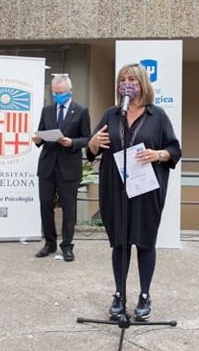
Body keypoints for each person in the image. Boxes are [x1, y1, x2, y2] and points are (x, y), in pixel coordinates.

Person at [87, 63, 181, 322]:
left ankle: (145, 295)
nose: (126, 83)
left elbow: (175, 149)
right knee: (120, 241)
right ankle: (119, 294)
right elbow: (93, 148)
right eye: (122, 79)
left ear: (142, 84)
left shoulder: (157, 116)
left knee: (144, 241)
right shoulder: (111, 115)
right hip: (114, 189)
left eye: (132, 79)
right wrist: (93, 144)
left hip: (145, 190)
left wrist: (159, 154)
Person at [32, 75, 91, 262]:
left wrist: (72, 142)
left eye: (62, 92)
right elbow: (40, 132)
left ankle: (67, 246)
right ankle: (49, 243)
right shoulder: (47, 110)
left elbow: (87, 138)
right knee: (45, 205)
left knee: (68, 208)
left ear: (70, 91)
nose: (59, 96)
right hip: (47, 166)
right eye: (56, 93)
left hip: (69, 167)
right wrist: (38, 139)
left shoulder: (81, 111)